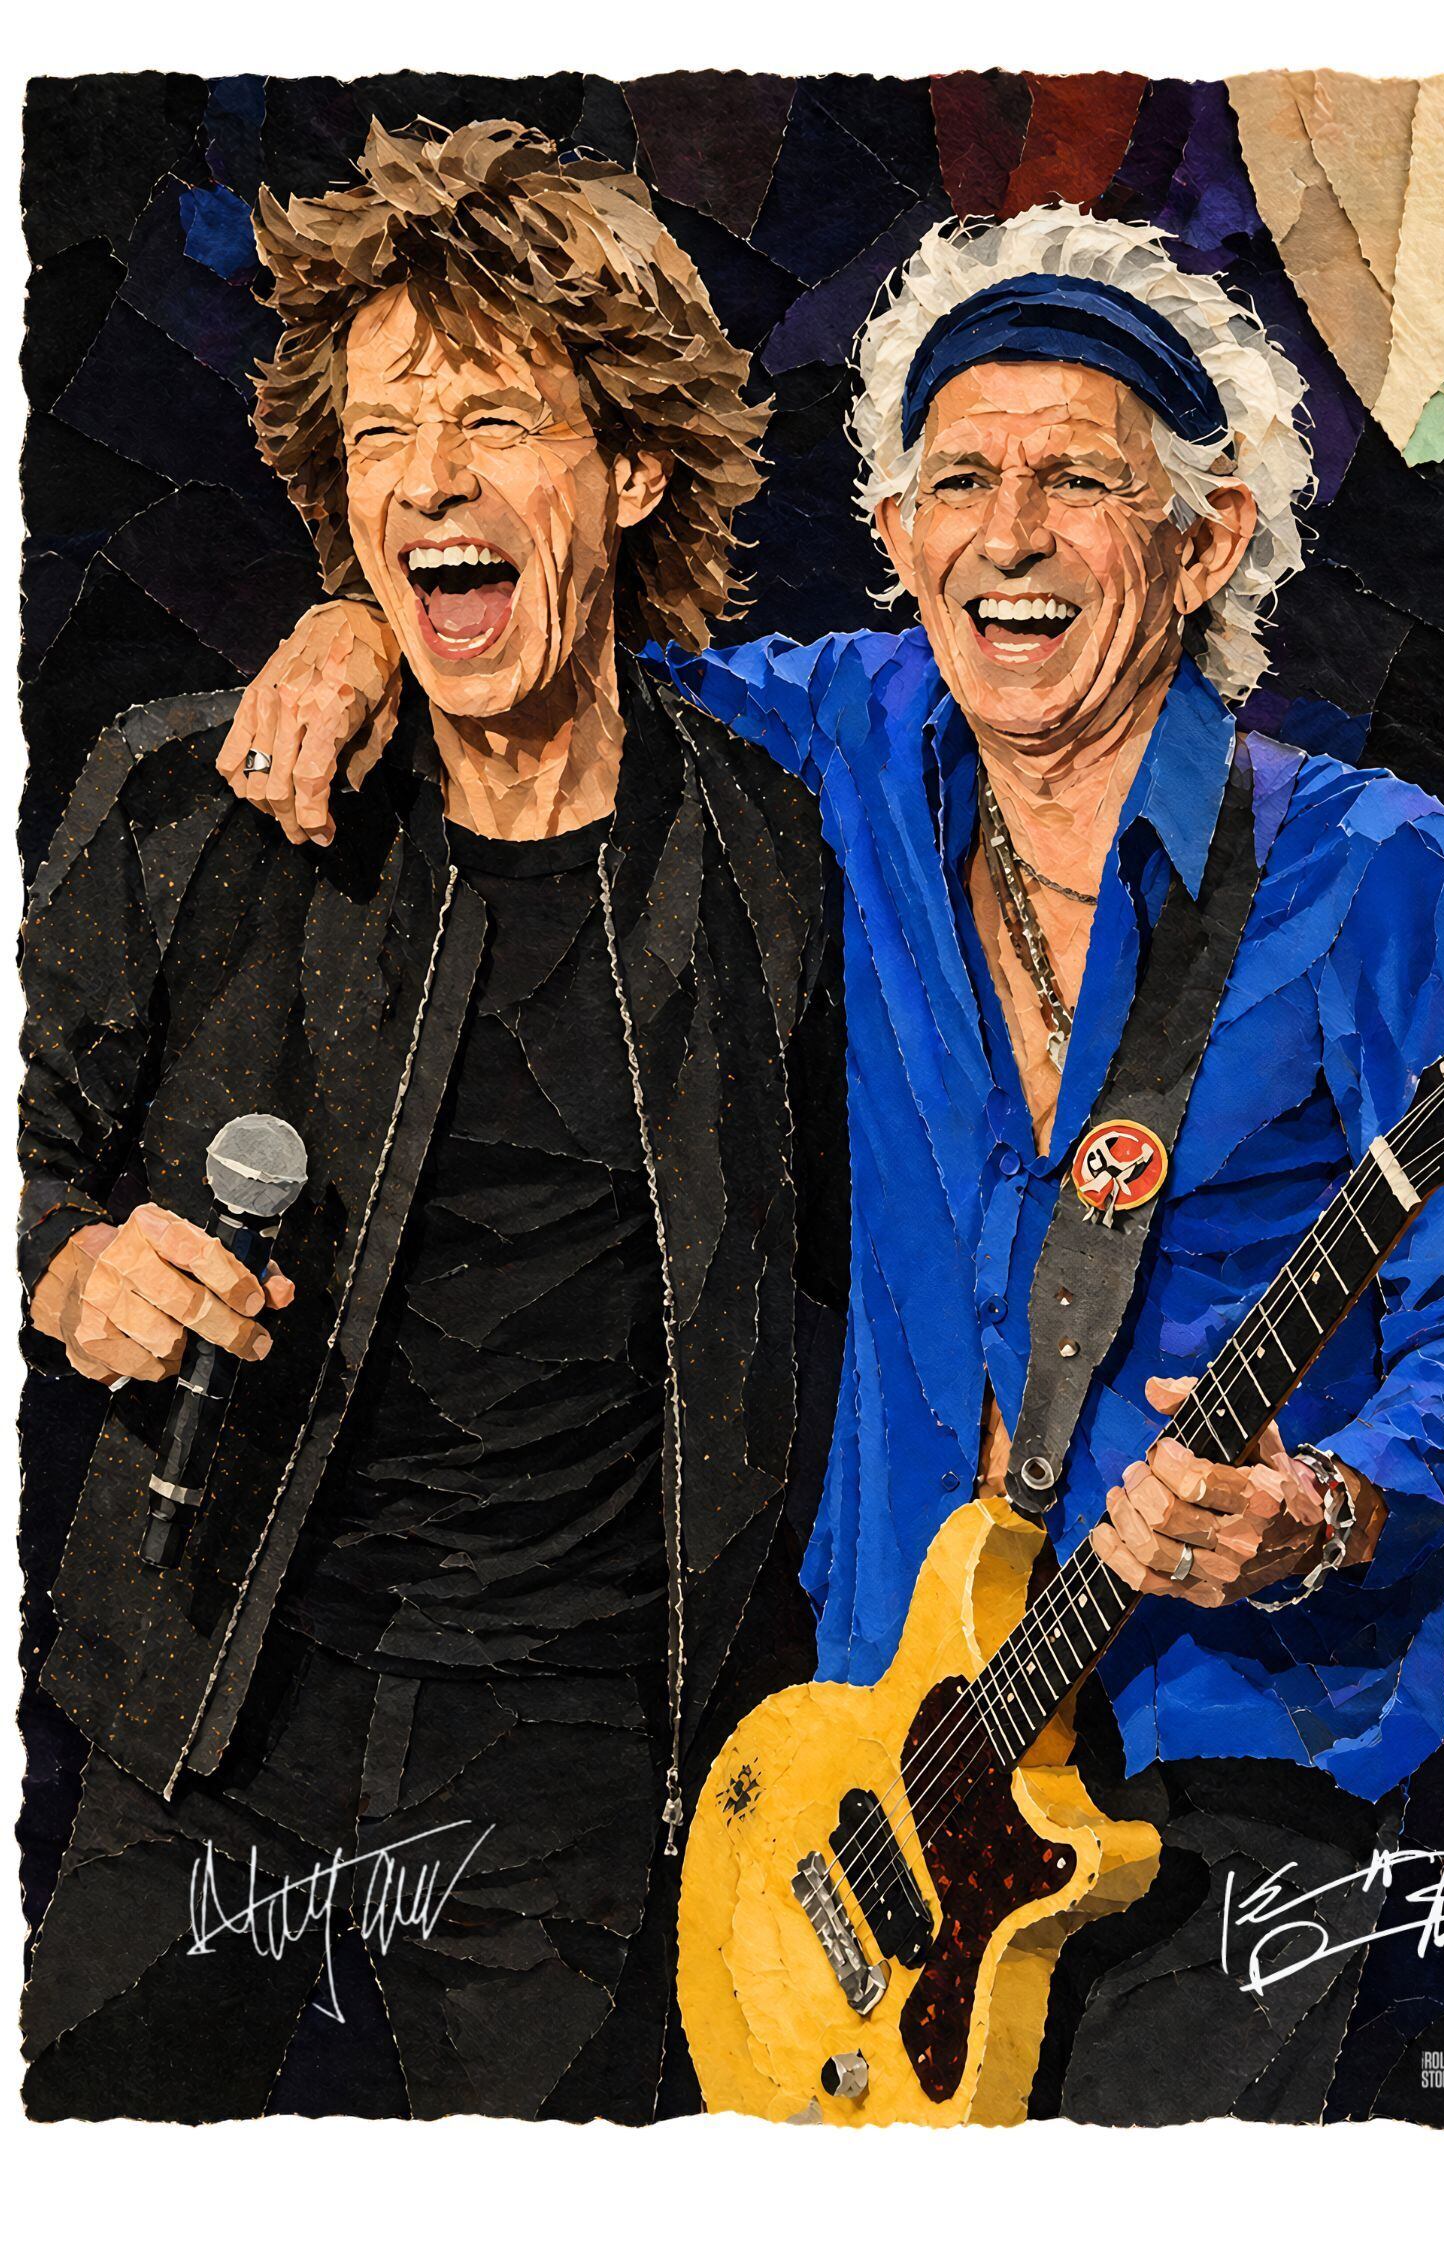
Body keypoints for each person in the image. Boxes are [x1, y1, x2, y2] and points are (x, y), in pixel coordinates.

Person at [239, 197, 1444, 2122]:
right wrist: (360, 622)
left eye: (1076, 482)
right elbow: (550, 666)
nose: (1006, 535)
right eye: (959, 481)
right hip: (865, 1772)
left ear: (1204, 543)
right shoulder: (840, 749)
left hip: (1221, 1766)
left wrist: (1327, 1504)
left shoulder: (1372, 872)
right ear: (895, 532)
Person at [20, 119, 844, 2123]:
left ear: (629, 471)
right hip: (207, 1717)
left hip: (574, 1782)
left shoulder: (768, 858)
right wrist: (68, 1264)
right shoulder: (194, 800)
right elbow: (27, 1147)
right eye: (382, 434)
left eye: (491, 419)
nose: (429, 479)